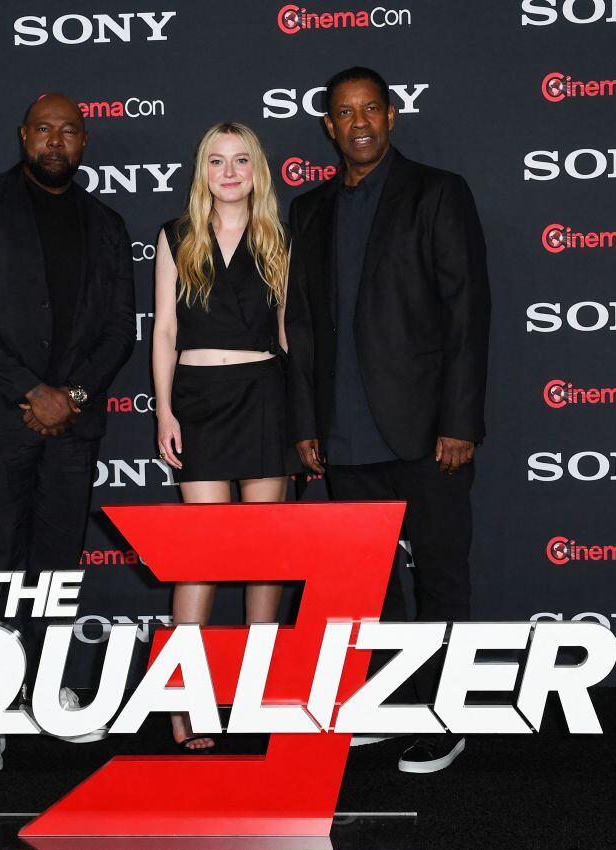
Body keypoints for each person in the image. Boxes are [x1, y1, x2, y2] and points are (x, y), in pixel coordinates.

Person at [284, 67, 491, 773]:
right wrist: (307, 424)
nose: (360, 121)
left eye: (372, 107)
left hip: (429, 431)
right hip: (344, 435)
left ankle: (448, 714)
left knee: (439, 577)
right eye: (345, 112)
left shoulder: (437, 192)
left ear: (393, 117)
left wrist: (459, 420)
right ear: (329, 127)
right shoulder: (307, 210)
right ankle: (391, 701)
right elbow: (305, 329)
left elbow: (468, 312)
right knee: (366, 585)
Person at [0, 93, 136, 772]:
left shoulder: (106, 223)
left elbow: (118, 329)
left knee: (57, 562)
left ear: (85, 142)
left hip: (73, 426)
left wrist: (70, 397)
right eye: (44, 129)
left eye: (69, 131)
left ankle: (48, 687)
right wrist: (30, 390)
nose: (56, 141)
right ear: (24, 135)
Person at [151, 121, 299, 752]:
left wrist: (306, 420)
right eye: (217, 161)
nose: (230, 172)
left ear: (257, 170)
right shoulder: (176, 236)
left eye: (241, 160)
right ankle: (183, 702)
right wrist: (164, 411)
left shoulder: (280, 238)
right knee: (203, 555)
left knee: (266, 555)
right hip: (199, 403)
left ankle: (260, 690)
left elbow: (290, 334)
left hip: (267, 398)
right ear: (202, 170)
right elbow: (163, 331)